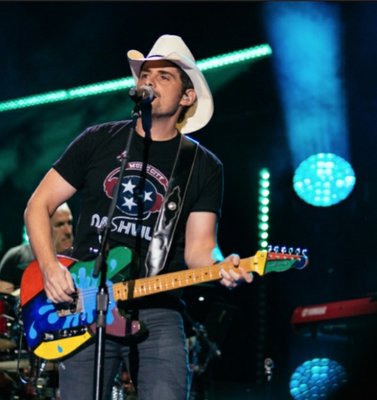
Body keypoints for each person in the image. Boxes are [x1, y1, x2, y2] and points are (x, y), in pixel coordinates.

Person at [23, 34, 253, 400]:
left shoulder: (203, 166)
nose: (150, 82)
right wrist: (50, 268)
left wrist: (221, 264)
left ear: (187, 96)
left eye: (164, 76)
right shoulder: (98, 140)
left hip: (159, 309)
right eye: (146, 74)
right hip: (86, 303)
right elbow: (38, 204)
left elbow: (200, 248)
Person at [0, 202, 74, 293]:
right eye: (60, 225)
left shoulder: (79, 257)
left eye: (69, 223)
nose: (68, 231)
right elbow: (4, 302)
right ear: (43, 227)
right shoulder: (16, 257)